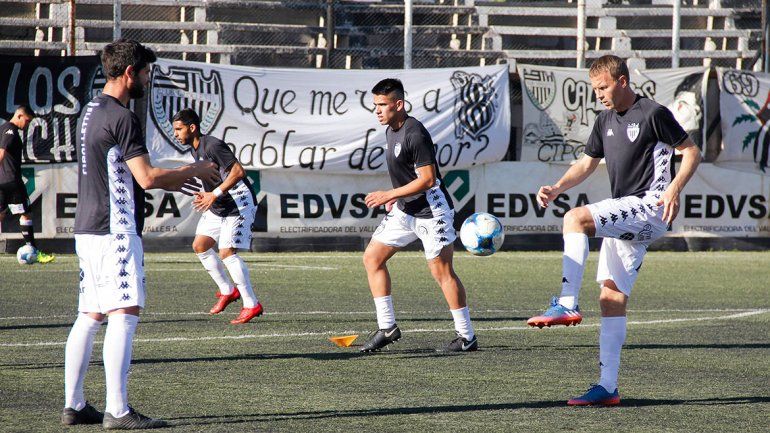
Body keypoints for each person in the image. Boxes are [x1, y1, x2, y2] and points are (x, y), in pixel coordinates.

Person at [527, 55, 702, 406]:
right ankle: (608, 387)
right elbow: (588, 162)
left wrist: (673, 189)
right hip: (631, 214)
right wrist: (558, 186)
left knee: (575, 219)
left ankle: (565, 303)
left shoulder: (652, 113)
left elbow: (691, 151)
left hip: (650, 205)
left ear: (622, 81)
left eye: (603, 87)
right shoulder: (604, 119)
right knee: (611, 297)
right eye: (594, 89)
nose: (599, 95)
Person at [62, 39, 218, 429]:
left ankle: (75, 405)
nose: (148, 79)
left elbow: (125, 168)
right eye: (146, 72)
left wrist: (174, 178)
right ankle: (117, 410)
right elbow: (146, 178)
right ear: (130, 72)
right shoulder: (123, 116)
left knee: (89, 314)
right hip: (115, 230)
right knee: (124, 314)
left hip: (88, 228)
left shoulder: (91, 110)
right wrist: (191, 172)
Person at [360, 78, 477, 353]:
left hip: (431, 211)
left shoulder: (415, 133)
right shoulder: (390, 130)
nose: (377, 110)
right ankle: (387, 327)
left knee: (442, 272)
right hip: (405, 210)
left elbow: (427, 180)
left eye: (382, 105)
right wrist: (398, 198)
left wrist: (390, 194)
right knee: (372, 258)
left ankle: (466, 336)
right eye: (374, 105)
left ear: (398, 104)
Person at [172, 108, 263, 324]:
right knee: (200, 245)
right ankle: (228, 291)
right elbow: (215, 176)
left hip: (237, 203)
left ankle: (251, 304)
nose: (176, 133)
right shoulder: (195, 149)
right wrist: (207, 193)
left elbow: (239, 172)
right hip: (218, 204)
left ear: (192, 128)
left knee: (227, 253)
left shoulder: (212, 145)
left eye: (179, 129)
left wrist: (214, 193)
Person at [0, 105, 54, 263]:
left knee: (1, 214)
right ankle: (34, 250)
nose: (27, 124)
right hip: (11, 180)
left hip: (2, 180)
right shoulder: (10, 131)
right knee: (26, 213)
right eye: (27, 120)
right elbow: (2, 153)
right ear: (19, 116)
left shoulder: (2, 127)